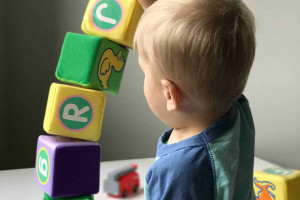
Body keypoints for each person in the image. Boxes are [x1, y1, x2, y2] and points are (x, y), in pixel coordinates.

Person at [134, 0, 256, 199]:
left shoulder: (180, 172)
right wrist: (154, 10)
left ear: (170, 94)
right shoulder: (233, 108)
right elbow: (206, 55)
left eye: (144, 73)